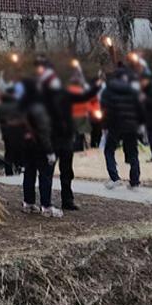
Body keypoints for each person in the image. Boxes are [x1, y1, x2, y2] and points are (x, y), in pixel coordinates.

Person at [41, 66, 99, 211]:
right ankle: (46, 203)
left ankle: (67, 200)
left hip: (66, 139)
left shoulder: (65, 95)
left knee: (67, 172)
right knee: (47, 173)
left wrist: (96, 87)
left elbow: (83, 97)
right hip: (53, 140)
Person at [18, 77, 59, 217]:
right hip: (41, 148)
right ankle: (46, 206)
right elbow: (44, 131)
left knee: (29, 174)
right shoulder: (43, 108)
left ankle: (28, 203)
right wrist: (50, 151)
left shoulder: (25, 105)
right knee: (45, 176)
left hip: (28, 146)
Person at [101, 65, 143, 190]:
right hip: (131, 125)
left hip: (115, 125)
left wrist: (104, 125)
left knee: (109, 150)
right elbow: (140, 109)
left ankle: (114, 177)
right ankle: (134, 181)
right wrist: (140, 124)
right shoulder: (133, 90)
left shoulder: (108, 91)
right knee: (133, 152)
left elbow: (104, 109)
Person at [0, 84, 24, 176]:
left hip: (6, 132)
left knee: (8, 152)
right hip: (18, 132)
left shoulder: (0, 106)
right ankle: (18, 167)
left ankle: (8, 170)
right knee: (19, 151)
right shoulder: (18, 105)